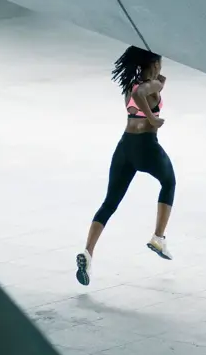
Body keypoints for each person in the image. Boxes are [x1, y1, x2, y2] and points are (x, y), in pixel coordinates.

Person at [75, 46, 176, 286]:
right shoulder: (146, 86)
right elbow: (144, 92)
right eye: (159, 64)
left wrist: (160, 83)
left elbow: (142, 92)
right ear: (152, 65)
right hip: (146, 147)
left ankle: (88, 253)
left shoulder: (129, 85)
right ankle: (158, 237)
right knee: (169, 181)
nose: (160, 69)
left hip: (125, 147)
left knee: (109, 203)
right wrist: (153, 118)